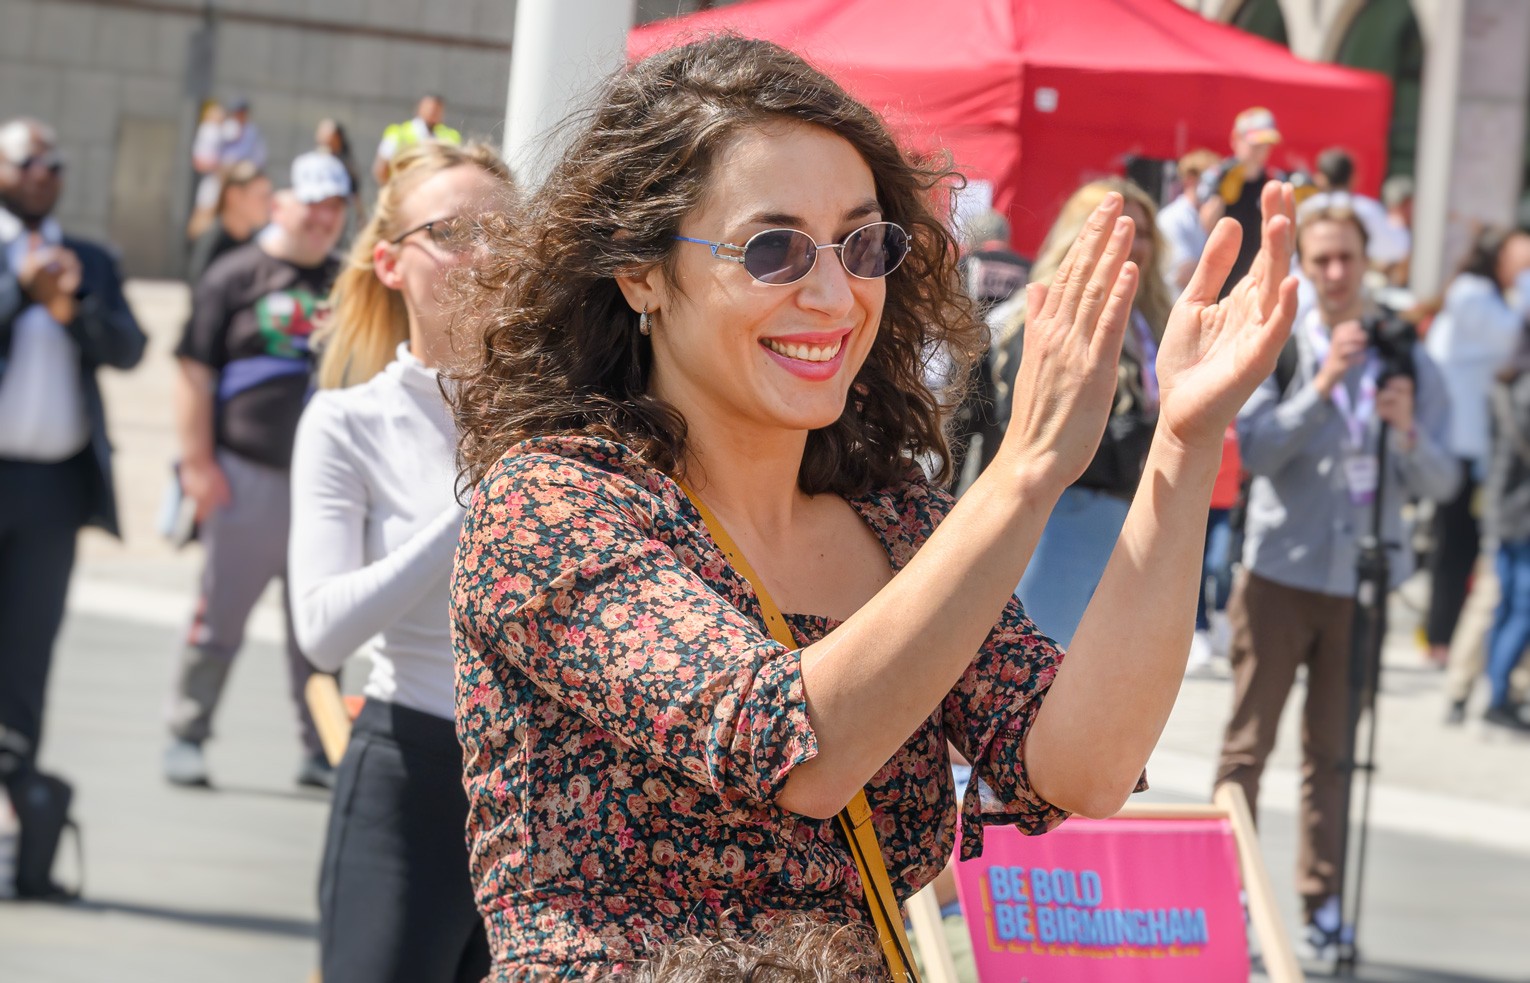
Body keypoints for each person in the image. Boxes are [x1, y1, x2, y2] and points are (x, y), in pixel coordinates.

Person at [448, 36, 1298, 979]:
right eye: (773, 249)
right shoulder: (549, 506)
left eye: (863, 245)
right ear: (641, 271)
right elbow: (792, 748)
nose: (833, 294)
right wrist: (1023, 470)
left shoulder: (896, 521)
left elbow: (1083, 764)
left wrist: (1185, 441)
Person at [288, 141, 511, 982]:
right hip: (413, 767)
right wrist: (483, 502)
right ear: (390, 263)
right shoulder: (348, 422)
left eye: (504, 230)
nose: (484, 253)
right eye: (452, 232)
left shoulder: (576, 413)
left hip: (554, 791)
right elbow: (322, 630)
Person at [1214, 200, 1457, 958]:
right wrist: (1320, 386)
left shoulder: (1405, 354)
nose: (1336, 272)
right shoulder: (1282, 344)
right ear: (1305, 266)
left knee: (1334, 755)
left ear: (1367, 260)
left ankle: (1322, 906)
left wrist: (1406, 432)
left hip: (1362, 582)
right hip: (1278, 574)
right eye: (1320, 259)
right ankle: (1229, 895)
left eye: (1347, 257)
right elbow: (1252, 452)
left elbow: (1444, 482)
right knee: (1247, 746)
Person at [164, 151, 351, 789]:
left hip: (325, 488)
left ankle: (324, 749)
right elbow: (193, 371)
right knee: (219, 615)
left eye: (335, 206)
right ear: (281, 205)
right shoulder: (233, 274)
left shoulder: (349, 282)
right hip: (244, 478)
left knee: (321, 629)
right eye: (313, 204)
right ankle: (187, 732)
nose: (323, 218)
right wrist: (197, 464)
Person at [0, 115, 146, 777]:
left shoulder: (88, 260)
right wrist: (20, 292)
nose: (41, 175)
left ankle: (15, 796)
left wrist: (73, 305)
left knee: (28, 650)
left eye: (53, 166)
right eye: (26, 161)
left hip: (54, 490)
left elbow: (129, 348)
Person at [992, 178, 1171, 647]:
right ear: (1081, 236)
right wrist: (1136, 435)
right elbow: (1031, 425)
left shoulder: (1153, 321)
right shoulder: (1047, 315)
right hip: (1063, 514)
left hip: (1130, 519)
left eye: (1143, 232)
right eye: (1117, 229)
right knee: (1043, 659)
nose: (1133, 244)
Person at [1422, 228, 1530, 670]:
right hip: (1458, 443)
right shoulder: (1472, 293)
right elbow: (1513, 335)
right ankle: (1438, 639)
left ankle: (1442, 637)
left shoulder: (1485, 296)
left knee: (1461, 545)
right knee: (1453, 545)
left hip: (1471, 443)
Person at [950, 209, 1029, 483]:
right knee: (992, 467)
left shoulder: (966, 264)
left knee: (953, 460)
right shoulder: (1028, 268)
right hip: (1006, 376)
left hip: (965, 376)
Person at [1479, 324, 1530, 732]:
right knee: (1522, 610)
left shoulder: (1506, 380)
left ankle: (1494, 693)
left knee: (1506, 606)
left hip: (1502, 508)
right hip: (1523, 514)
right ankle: (1497, 697)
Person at [1200, 107, 1287, 298]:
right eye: (1255, 144)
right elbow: (1204, 227)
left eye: (1266, 144)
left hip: (1257, 277)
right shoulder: (1216, 175)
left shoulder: (1274, 180)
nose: (1261, 150)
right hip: (1220, 275)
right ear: (1236, 139)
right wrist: (1219, 192)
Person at [1312, 148, 1410, 270]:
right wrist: (1398, 224)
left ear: (1320, 178)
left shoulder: (1306, 209)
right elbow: (1398, 248)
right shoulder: (1368, 209)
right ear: (1353, 178)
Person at [185, 161, 272, 284]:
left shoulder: (260, 242)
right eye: (262, 197)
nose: (270, 204)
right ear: (234, 196)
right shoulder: (211, 242)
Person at [1157, 148, 1220, 296]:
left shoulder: (1206, 215)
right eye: (1211, 179)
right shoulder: (1172, 218)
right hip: (1173, 305)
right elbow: (1185, 274)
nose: (1217, 186)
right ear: (1190, 179)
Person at [373, 95, 461, 186]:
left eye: (437, 110)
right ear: (419, 108)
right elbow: (381, 169)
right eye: (430, 109)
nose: (433, 113)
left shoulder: (450, 136)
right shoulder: (398, 133)